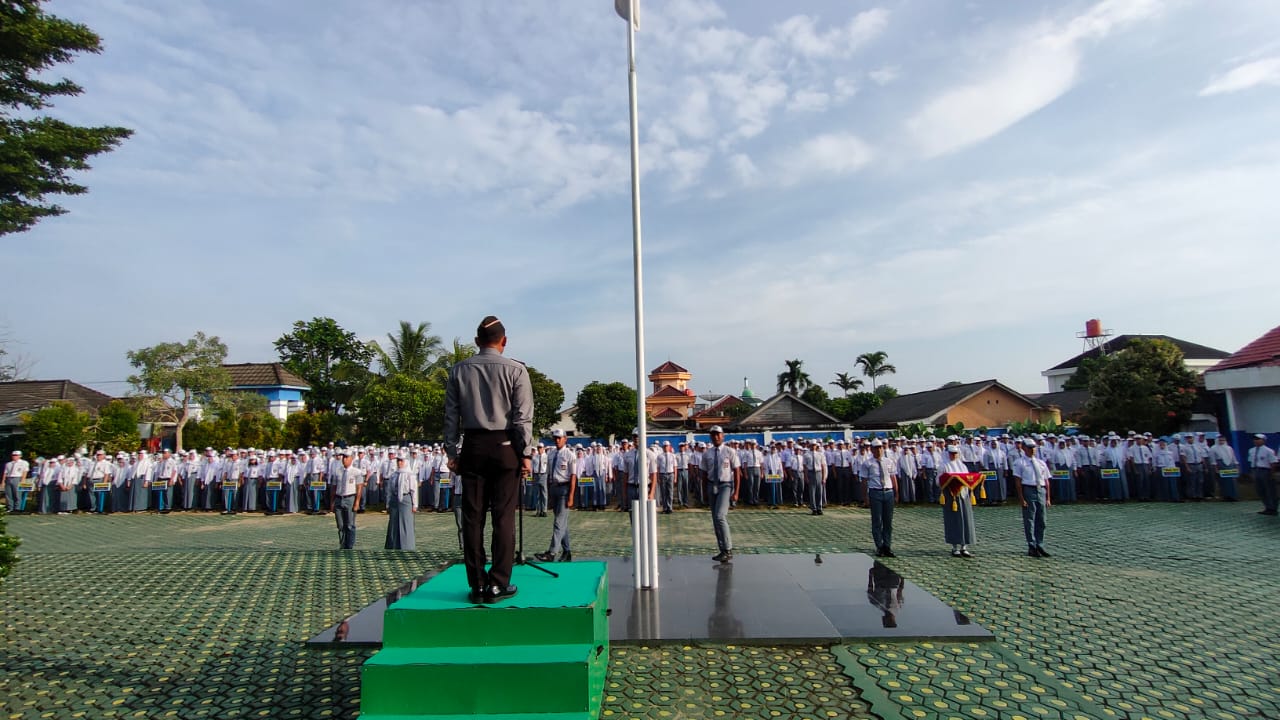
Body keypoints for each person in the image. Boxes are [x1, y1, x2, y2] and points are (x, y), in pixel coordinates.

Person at [444, 315, 533, 604]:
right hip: (506, 445)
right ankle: (498, 583)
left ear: (476, 342)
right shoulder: (516, 370)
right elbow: (522, 418)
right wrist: (526, 454)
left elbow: (451, 418)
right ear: (503, 342)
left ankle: (477, 585)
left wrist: (451, 453)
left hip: (472, 445)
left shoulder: (459, 370)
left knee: (472, 518)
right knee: (503, 517)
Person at [535, 429, 576, 563]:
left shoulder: (570, 455)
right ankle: (567, 551)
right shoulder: (551, 454)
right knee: (561, 523)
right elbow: (549, 474)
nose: (557, 440)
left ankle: (552, 552)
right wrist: (550, 495)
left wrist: (571, 496)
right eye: (555, 438)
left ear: (565, 439)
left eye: (559, 438)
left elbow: (573, 476)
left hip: (564, 488)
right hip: (554, 488)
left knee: (558, 522)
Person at [700, 426, 740, 563]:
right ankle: (722, 549)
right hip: (712, 485)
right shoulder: (707, 454)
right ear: (710, 437)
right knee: (715, 519)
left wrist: (736, 492)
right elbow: (704, 473)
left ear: (723, 436)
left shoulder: (730, 451)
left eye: (718, 434)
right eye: (713, 435)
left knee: (720, 516)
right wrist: (705, 491)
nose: (716, 437)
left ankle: (728, 549)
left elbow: (737, 471)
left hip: (725, 485)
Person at [1013, 438, 1053, 557]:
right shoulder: (1019, 462)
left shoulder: (1041, 462)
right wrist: (1021, 498)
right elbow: (1018, 482)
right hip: (1028, 489)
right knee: (1030, 519)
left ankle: (1040, 544)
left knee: (1042, 520)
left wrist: (1048, 498)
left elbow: (1047, 481)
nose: (1032, 450)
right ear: (1024, 448)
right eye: (1030, 447)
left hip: (1041, 490)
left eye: (1034, 447)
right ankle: (1031, 545)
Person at [862, 439, 898, 557]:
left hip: (888, 492)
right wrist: (865, 497)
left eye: (880, 447)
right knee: (877, 521)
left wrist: (896, 492)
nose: (879, 450)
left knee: (888, 521)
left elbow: (893, 478)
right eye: (876, 448)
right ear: (871, 450)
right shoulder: (867, 463)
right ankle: (879, 546)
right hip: (875, 492)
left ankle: (887, 546)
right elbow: (864, 480)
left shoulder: (889, 461)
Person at [939, 446, 976, 557]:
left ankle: (964, 547)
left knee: (965, 519)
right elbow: (939, 481)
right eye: (951, 453)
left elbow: (968, 478)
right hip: (951, 496)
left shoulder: (963, 466)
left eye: (955, 453)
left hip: (963, 495)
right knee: (953, 520)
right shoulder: (944, 465)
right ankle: (954, 547)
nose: (954, 455)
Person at [332, 449, 365, 548]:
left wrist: (357, 502)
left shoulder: (357, 472)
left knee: (350, 525)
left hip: (350, 498)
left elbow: (359, 488)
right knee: (340, 525)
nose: (344, 459)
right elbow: (334, 487)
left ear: (352, 458)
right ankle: (342, 544)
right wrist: (332, 502)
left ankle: (349, 546)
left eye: (346, 457)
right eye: (343, 457)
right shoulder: (338, 471)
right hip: (339, 498)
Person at [384, 452, 417, 550]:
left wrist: (415, 505)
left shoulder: (410, 474)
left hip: (406, 499)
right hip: (394, 499)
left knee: (405, 523)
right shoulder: (394, 474)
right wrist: (388, 503)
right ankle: (393, 546)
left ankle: (407, 547)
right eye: (398, 460)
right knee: (393, 523)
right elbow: (389, 490)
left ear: (405, 461)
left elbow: (414, 490)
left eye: (401, 460)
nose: (399, 463)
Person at [1247, 434, 1276, 516]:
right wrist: (1252, 472)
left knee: (1269, 490)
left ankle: (1273, 508)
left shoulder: (1269, 451)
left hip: (1265, 470)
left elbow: (1273, 463)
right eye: (1255, 439)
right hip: (1255, 469)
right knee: (1260, 490)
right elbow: (1250, 461)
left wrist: (1271, 473)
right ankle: (1267, 507)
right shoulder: (1251, 450)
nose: (1256, 441)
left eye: (1258, 439)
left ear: (1263, 440)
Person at [1211, 436, 1239, 502]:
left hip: (1230, 464)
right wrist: (1216, 469)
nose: (1221, 441)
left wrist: (1236, 465)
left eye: (1223, 440)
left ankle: (1233, 496)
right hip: (1221, 464)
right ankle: (1226, 496)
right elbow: (1213, 460)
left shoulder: (1229, 448)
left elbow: (1233, 457)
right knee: (1223, 482)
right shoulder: (1213, 448)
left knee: (1232, 481)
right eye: (1220, 440)